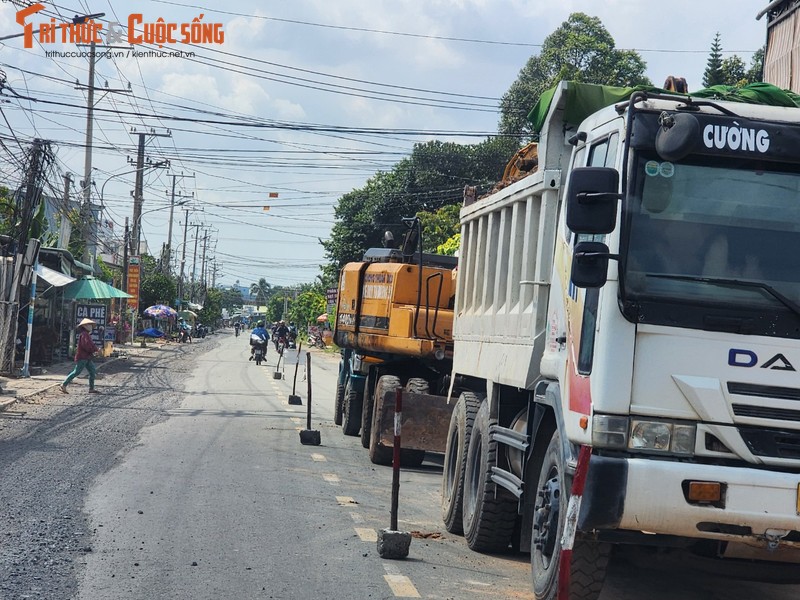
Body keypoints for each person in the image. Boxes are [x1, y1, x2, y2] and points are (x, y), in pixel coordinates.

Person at [59, 318, 100, 394]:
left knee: (92, 371)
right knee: (76, 372)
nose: (90, 326)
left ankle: (91, 388)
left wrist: (95, 349)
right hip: (83, 357)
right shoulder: (85, 335)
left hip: (87, 357)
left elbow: (90, 345)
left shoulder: (86, 334)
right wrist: (94, 350)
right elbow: (87, 345)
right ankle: (64, 384)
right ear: (85, 326)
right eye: (89, 325)